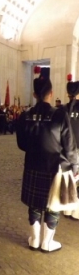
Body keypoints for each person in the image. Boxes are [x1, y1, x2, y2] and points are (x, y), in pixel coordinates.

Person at [16, 76, 77, 253]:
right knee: (52, 205)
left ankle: (34, 240)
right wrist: (75, 166)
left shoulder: (25, 115)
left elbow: (21, 144)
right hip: (54, 167)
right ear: (51, 94)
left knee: (34, 204)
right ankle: (47, 243)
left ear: (34, 94)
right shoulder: (59, 114)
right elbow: (69, 146)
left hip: (32, 165)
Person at [63, 80, 79, 220]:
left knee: (68, 178)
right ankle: (76, 211)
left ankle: (67, 208)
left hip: (65, 150)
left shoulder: (63, 109)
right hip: (78, 148)